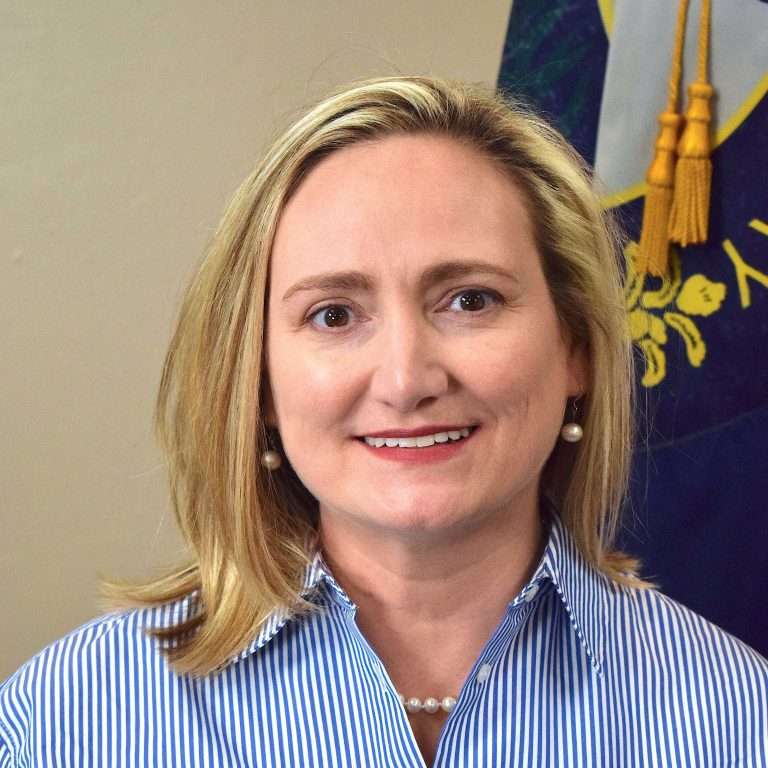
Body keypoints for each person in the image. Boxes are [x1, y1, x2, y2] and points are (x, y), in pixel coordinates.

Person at [1, 76, 766, 768]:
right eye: (334, 315)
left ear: (575, 350)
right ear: (258, 380)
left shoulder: (738, 720)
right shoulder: (65, 721)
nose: (406, 380)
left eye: (470, 300)